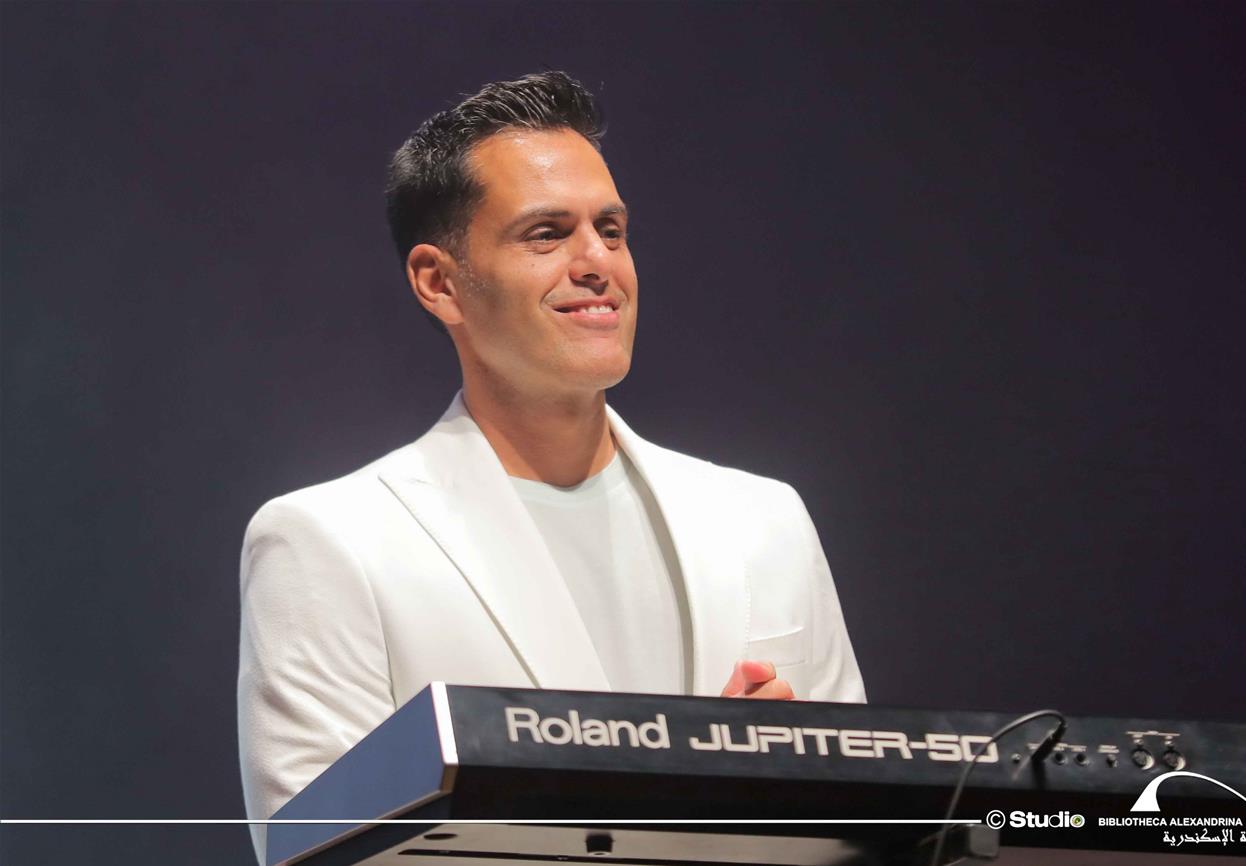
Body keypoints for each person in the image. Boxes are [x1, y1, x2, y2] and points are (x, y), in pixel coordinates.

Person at [237, 71, 865, 863]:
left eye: (611, 228)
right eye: (546, 234)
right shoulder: (330, 542)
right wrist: (691, 805)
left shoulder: (763, 521)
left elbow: (875, 830)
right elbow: (319, 852)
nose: (597, 261)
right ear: (439, 282)